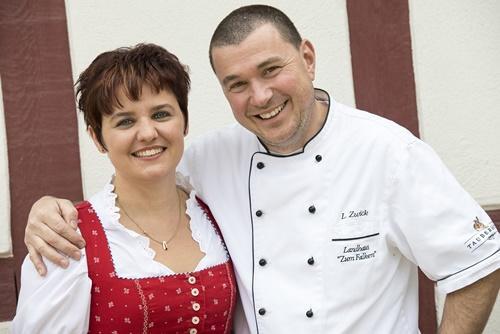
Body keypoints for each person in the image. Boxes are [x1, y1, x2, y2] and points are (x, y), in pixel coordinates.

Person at [24, 5, 499, 334]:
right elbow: (139, 177)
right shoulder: (211, 158)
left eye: (271, 70)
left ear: (308, 58)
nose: (261, 96)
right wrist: (48, 209)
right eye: (237, 83)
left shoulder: (386, 151)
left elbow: (478, 265)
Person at [12, 44, 237, 333]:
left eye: (160, 115)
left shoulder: (217, 212)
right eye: (125, 121)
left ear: (185, 121)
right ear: (97, 138)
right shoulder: (68, 238)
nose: (147, 133)